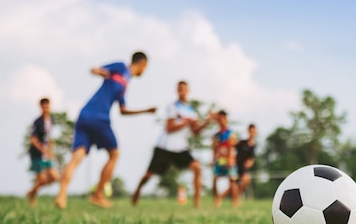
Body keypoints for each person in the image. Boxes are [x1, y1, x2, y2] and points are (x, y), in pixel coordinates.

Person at [54, 52, 156, 210]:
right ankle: (98, 195)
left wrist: (145, 110)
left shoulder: (125, 84)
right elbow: (94, 70)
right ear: (142, 64)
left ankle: (61, 197)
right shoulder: (121, 67)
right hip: (98, 117)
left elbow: (123, 110)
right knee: (114, 154)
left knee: (77, 156)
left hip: (84, 115)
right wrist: (103, 72)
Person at [132, 80, 214, 208]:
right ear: (177, 91)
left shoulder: (191, 111)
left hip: (181, 148)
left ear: (188, 91)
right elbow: (169, 127)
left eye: (184, 89)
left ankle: (197, 204)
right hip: (165, 147)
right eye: (180, 89)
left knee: (197, 168)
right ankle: (137, 191)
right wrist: (186, 122)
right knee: (149, 174)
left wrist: (208, 121)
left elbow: (196, 132)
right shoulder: (172, 107)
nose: (182, 91)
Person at [26, 98, 60, 206]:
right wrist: (43, 149)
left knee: (54, 177)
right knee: (40, 179)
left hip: (47, 153)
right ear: (41, 107)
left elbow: (48, 137)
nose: (46, 108)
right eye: (44, 106)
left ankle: (31, 192)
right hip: (37, 153)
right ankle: (32, 199)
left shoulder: (51, 120)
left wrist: (51, 147)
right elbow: (33, 139)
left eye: (48, 106)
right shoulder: (38, 122)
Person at [212, 110, 239, 208]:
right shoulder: (216, 135)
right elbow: (214, 149)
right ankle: (217, 200)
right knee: (215, 179)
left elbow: (231, 147)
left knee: (232, 181)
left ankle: (235, 202)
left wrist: (230, 159)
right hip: (219, 160)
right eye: (219, 119)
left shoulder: (231, 133)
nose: (221, 121)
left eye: (223, 118)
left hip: (230, 160)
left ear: (226, 119)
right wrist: (213, 160)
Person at [236, 124, 257, 197]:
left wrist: (251, 162)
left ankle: (236, 196)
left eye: (254, 131)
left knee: (246, 181)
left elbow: (251, 157)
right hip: (237, 165)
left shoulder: (254, 145)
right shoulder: (242, 142)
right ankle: (232, 197)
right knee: (243, 181)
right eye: (251, 131)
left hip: (244, 167)